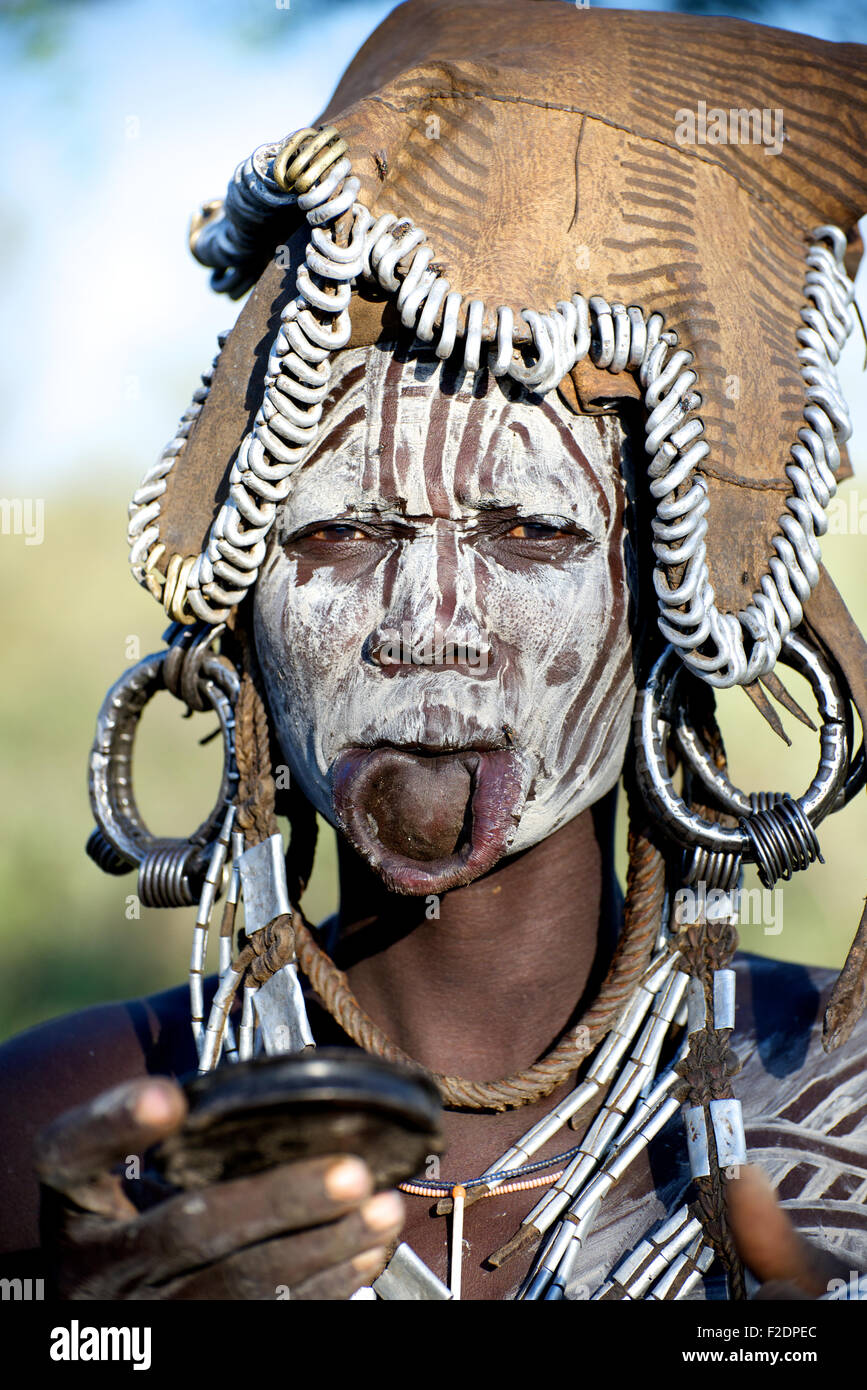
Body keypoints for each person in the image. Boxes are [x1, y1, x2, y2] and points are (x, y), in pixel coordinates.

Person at [1, 0, 866, 1302]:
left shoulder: (838, 1096)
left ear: (664, 595)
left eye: (528, 528)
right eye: (343, 530)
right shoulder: (70, 1136)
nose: (425, 620)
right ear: (239, 605)